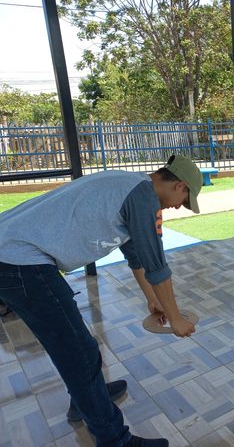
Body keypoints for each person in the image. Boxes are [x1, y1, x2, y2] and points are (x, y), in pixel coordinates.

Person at [0, 155, 202, 447]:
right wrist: (175, 318)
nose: (178, 207)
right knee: (78, 351)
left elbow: (136, 257)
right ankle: (114, 440)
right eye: (184, 200)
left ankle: (87, 399)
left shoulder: (131, 185)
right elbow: (157, 266)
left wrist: (153, 301)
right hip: (18, 260)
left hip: (15, 253)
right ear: (180, 186)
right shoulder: (143, 197)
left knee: (77, 347)